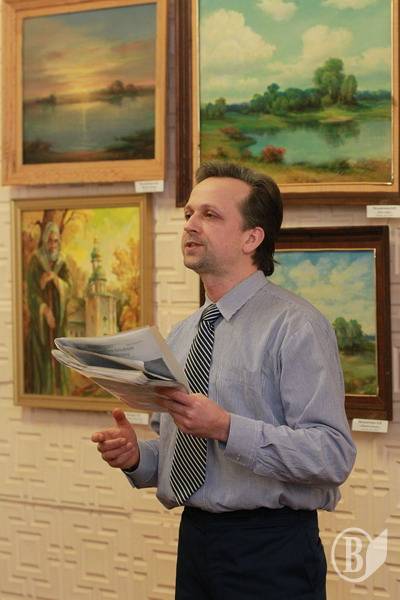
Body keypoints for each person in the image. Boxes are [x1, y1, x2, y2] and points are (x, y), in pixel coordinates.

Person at [91, 161, 356, 599]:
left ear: (252, 238)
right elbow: (184, 454)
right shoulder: (184, 333)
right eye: (189, 213)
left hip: (271, 550)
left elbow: (332, 455)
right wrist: (138, 457)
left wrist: (227, 428)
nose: (191, 225)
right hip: (195, 542)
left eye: (210, 215)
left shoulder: (296, 326)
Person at [26, 221, 71, 395]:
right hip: (41, 328)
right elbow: (31, 293)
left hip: (59, 324)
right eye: (50, 241)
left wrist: (56, 280)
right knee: (43, 366)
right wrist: (44, 310)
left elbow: (70, 288)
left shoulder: (62, 262)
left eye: (56, 241)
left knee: (60, 361)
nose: (53, 245)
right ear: (44, 241)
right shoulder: (36, 261)